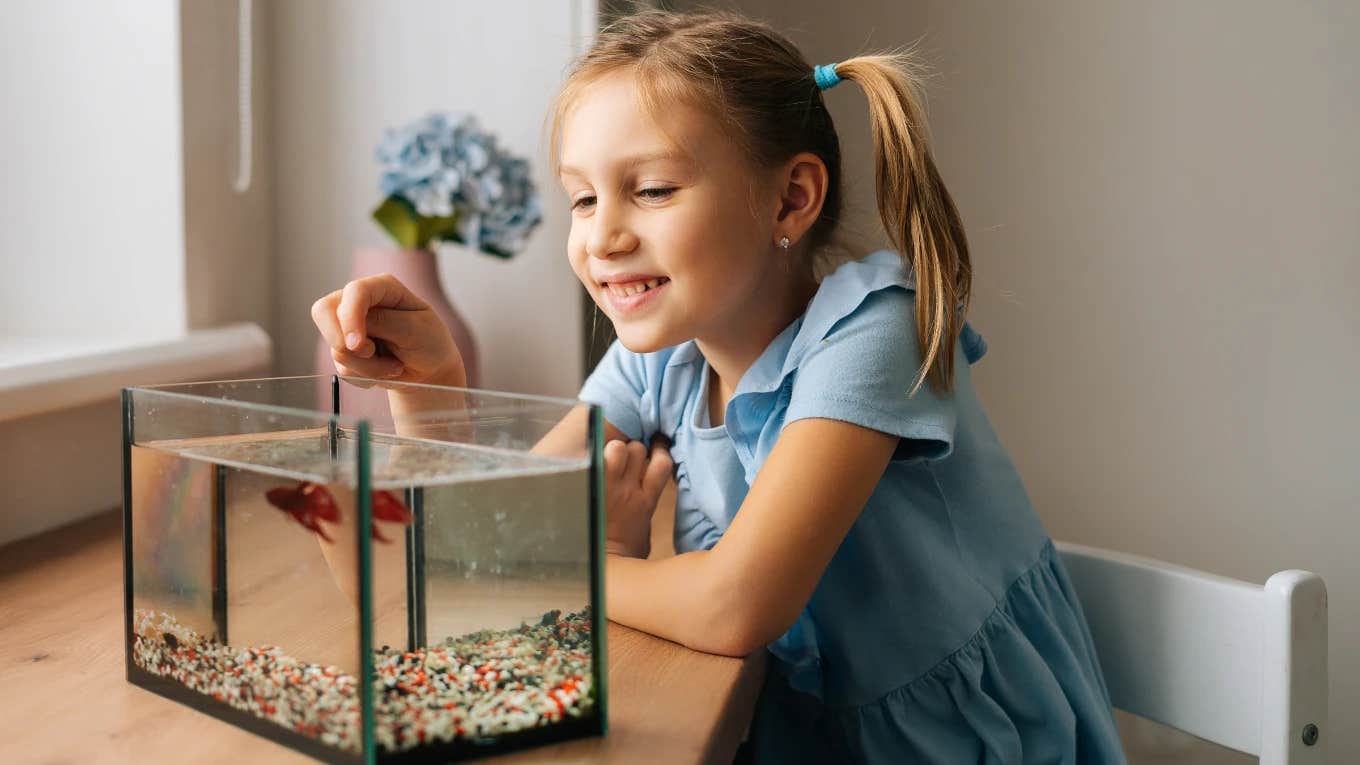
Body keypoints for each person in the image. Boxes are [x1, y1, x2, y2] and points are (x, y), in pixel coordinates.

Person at [313, 8, 1127, 763]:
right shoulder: (657, 357)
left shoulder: (877, 329)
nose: (603, 234)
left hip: (948, 739)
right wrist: (432, 390)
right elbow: (479, 538)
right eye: (583, 198)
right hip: (783, 725)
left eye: (653, 189)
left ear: (791, 197)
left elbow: (734, 604)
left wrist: (574, 559)